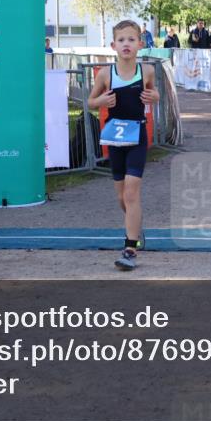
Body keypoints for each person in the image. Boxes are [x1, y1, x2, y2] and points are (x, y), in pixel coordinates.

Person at [87, 20, 160, 271]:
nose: (126, 44)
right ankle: (135, 226)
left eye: (131, 39)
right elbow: (90, 102)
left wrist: (154, 96)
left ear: (140, 44)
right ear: (113, 45)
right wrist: (102, 100)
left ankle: (130, 248)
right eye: (121, 40)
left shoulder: (147, 70)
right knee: (122, 197)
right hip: (115, 138)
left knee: (131, 192)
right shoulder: (106, 74)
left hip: (137, 134)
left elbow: (154, 93)